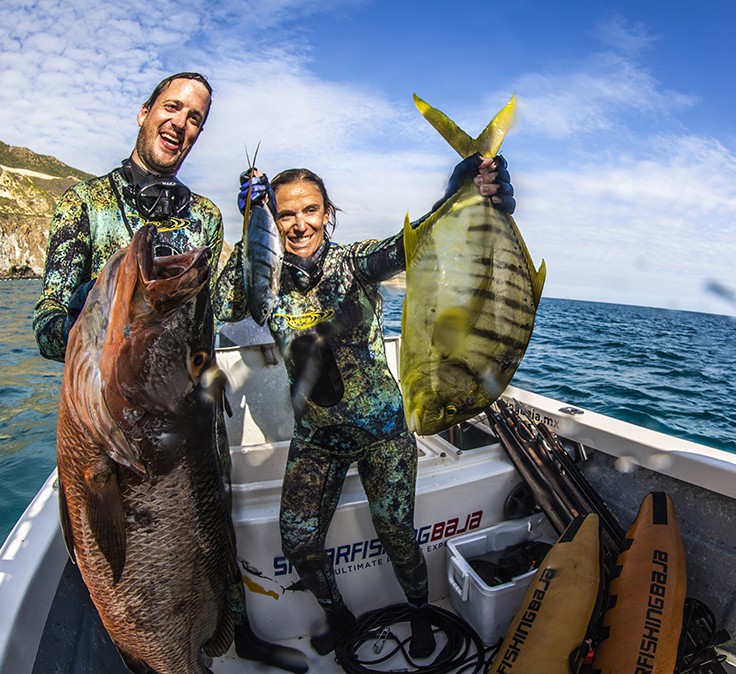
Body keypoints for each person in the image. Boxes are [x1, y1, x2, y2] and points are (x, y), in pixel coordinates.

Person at [33, 72, 306, 674]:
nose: (182, 123)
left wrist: (254, 224)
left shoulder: (204, 217)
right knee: (131, 561)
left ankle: (238, 639)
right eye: (173, 108)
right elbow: (49, 326)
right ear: (144, 112)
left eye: (196, 118)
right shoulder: (83, 206)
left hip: (191, 420)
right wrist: (99, 310)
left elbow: (216, 317)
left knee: (214, 538)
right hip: (122, 422)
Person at [214, 154, 515, 656]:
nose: (298, 224)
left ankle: (419, 614)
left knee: (398, 535)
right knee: (298, 543)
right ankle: (338, 615)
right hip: (317, 437)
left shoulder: (354, 262)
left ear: (328, 212)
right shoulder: (263, 273)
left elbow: (414, 242)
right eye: (285, 213)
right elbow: (226, 310)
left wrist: (459, 189)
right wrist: (250, 227)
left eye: (310, 210)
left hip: (383, 433)